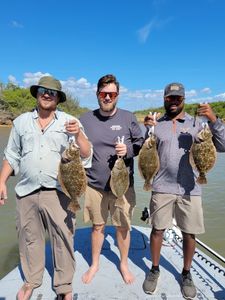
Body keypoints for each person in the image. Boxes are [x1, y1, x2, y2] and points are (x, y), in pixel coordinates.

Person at [0, 76, 92, 300]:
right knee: (29, 238)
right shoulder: (21, 122)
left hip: (60, 192)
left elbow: (87, 155)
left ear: (58, 98)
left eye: (52, 92)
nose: (47, 94)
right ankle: (31, 280)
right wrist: (1, 181)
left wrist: (78, 134)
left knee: (63, 239)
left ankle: (63, 286)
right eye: (43, 90)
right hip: (26, 191)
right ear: (37, 93)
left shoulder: (70, 121)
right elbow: (11, 155)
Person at [142, 82, 225, 299]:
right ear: (164, 99)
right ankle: (154, 268)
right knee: (157, 230)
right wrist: (145, 128)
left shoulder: (198, 123)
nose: (173, 102)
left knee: (190, 233)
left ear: (184, 100)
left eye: (177, 98)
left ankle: (186, 273)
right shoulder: (156, 124)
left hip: (191, 187)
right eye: (170, 98)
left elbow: (223, 145)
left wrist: (214, 119)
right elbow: (144, 152)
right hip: (160, 187)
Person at [79, 74, 144, 284]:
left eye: (111, 94)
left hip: (123, 185)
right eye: (103, 93)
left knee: (122, 226)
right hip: (94, 185)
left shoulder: (129, 117)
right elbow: (74, 145)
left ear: (117, 95)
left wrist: (128, 150)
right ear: (97, 94)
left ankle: (123, 264)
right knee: (97, 226)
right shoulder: (85, 119)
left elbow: (141, 144)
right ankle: (95, 264)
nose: (107, 97)